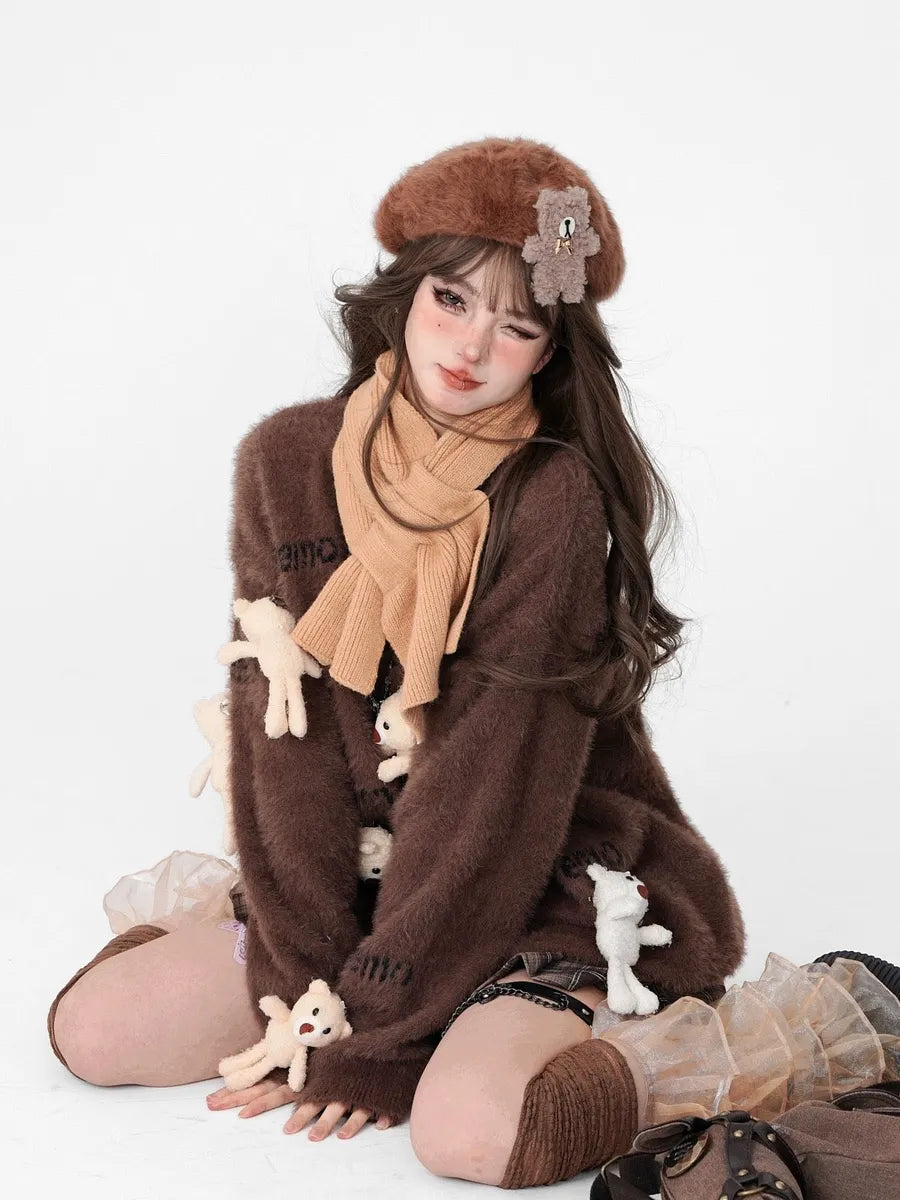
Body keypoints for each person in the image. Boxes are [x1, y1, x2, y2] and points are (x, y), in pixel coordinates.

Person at [47, 137, 750, 1188]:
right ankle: (419, 1003)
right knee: (93, 1035)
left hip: (534, 871)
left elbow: (491, 784)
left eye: (517, 326)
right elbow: (279, 734)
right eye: (452, 300)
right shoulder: (288, 457)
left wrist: (374, 1030)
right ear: (405, 295)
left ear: (549, 354)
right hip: (370, 872)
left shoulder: (552, 496)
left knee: (467, 1137)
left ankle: (606, 1032)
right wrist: (307, 977)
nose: (471, 346)